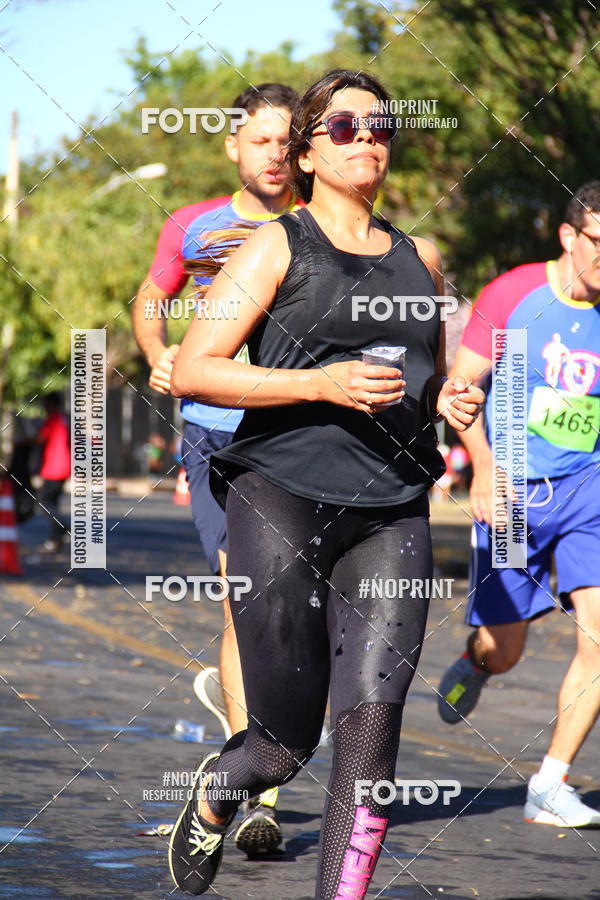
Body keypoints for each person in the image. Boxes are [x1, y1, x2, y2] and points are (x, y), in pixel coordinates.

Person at [167, 68, 484, 897]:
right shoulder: (277, 247)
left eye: (380, 127)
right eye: (344, 127)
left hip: (393, 510)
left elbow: (429, 378)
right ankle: (216, 794)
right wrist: (320, 383)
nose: (366, 138)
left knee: (372, 732)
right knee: (282, 744)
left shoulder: (422, 259)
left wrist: (448, 401)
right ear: (308, 152)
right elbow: (195, 370)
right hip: (280, 497)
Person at [132, 82, 300, 855]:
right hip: (215, 436)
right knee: (245, 601)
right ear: (233, 145)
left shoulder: (316, 229)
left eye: (287, 141)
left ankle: (254, 734)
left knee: (290, 610)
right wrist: (159, 351)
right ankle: (258, 789)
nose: (275, 154)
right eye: (260, 140)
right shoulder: (193, 224)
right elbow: (151, 296)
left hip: (296, 435)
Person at [438, 181, 600, 828]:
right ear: (569, 236)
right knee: (505, 649)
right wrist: (482, 466)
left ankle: (550, 784)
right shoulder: (515, 294)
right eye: (599, 241)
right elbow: (460, 388)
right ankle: (477, 659)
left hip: (588, 490)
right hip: (512, 493)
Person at [36, 392, 70, 552]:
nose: (44, 407)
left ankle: (63, 528)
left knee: (44, 502)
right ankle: (56, 539)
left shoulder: (53, 420)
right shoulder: (64, 419)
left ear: (52, 404)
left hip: (54, 468)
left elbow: (39, 438)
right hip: (64, 466)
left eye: (46, 403)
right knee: (53, 503)